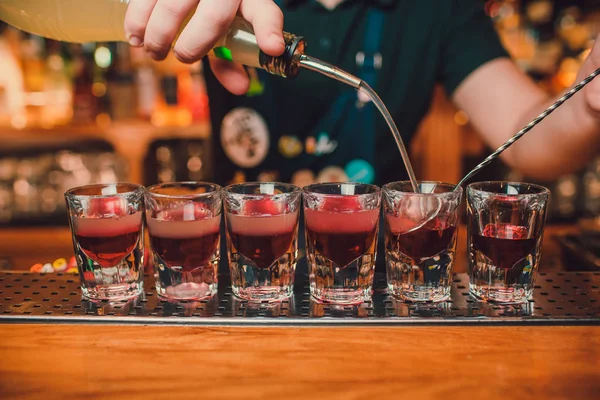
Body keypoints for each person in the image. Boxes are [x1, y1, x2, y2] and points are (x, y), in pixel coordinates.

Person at [124, 0, 600, 186]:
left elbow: (529, 136)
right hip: (243, 271)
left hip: (372, 278)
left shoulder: (439, 10)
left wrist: (587, 103)